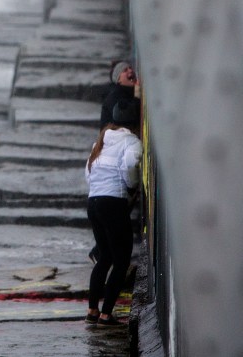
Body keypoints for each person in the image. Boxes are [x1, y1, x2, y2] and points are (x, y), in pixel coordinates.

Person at [84, 109, 142, 327]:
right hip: (113, 203)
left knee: (105, 256)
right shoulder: (131, 141)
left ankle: (92, 310)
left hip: (94, 202)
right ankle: (106, 315)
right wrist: (131, 184)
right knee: (121, 261)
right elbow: (129, 163)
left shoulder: (100, 142)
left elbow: (88, 174)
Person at [100, 60, 140, 128]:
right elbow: (128, 115)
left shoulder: (127, 92)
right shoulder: (115, 95)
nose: (130, 70)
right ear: (118, 80)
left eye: (130, 68)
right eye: (125, 70)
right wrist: (137, 92)